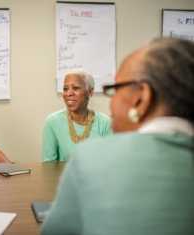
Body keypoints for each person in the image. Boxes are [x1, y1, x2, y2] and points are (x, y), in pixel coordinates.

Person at [41, 37, 194, 235]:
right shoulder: (54, 122)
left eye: (114, 90)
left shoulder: (89, 156)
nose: (111, 103)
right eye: (65, 88)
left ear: (142, 98)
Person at [42, 70, 112, 162]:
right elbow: (49, 166)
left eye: (75, 88)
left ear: (90, 92)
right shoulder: (52, 122)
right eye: (65, 89)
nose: (69, 93)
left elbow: (110, 163)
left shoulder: (105, 123)